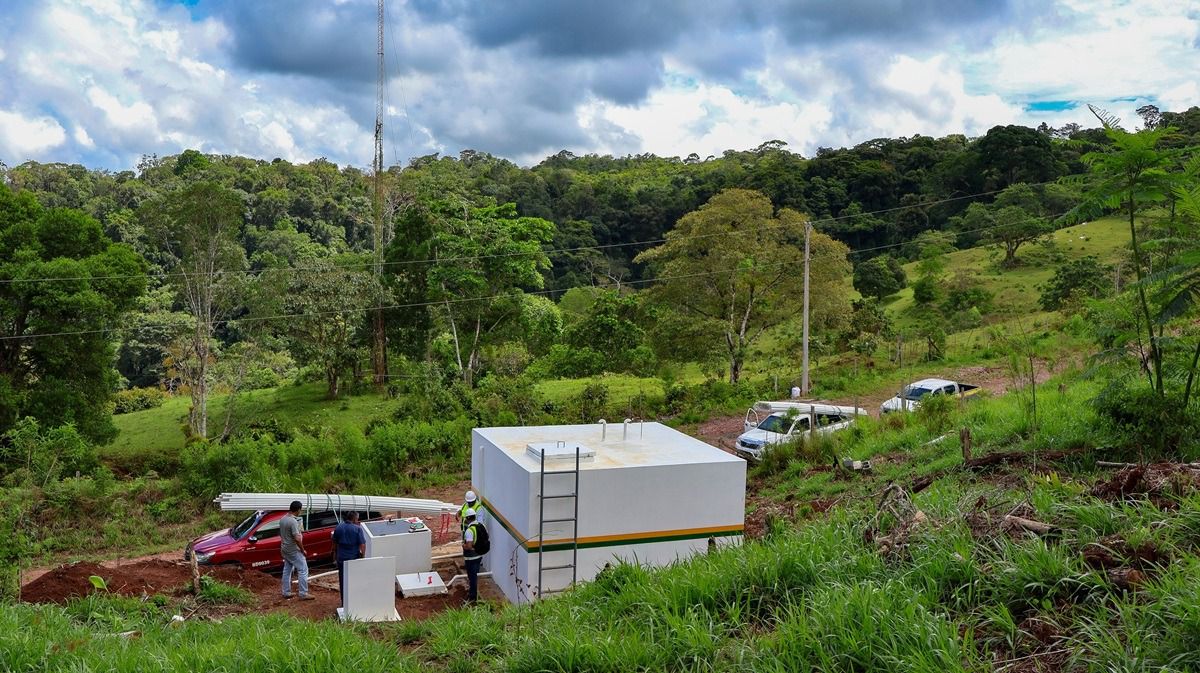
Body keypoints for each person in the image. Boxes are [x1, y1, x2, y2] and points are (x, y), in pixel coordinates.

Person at [280, 500, 314, 600]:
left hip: (285, 548)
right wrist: (303, 550)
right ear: (298, 509)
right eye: (300, 509)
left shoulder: (283, 519)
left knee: (287, 570)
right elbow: (297, 538)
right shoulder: (293, 522)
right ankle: (303, 593)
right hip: (294, 550)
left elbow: (283, 535)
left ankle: (286, 592)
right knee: (303, 570)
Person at [331, 510, 367, 602]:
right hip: (353, 558)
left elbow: (334, 544)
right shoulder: (357, 529)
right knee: (354, 580)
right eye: (357, 519)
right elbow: (362, 544)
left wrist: (334, 557)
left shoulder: (338, 527)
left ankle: (344, 602)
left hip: (341, 558)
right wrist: (363, 556)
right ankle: (354, 601)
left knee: (343, 581)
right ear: (355, 519)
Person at [461, 508, 484, 603]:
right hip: (479, 556)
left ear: (467, 518)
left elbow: (469, 546)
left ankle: (472, 597)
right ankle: (472, 594)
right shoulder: (481, 526)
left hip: (471, 557)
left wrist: (464, 545)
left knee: (472, 577)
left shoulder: (469, 531)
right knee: (474, 576)